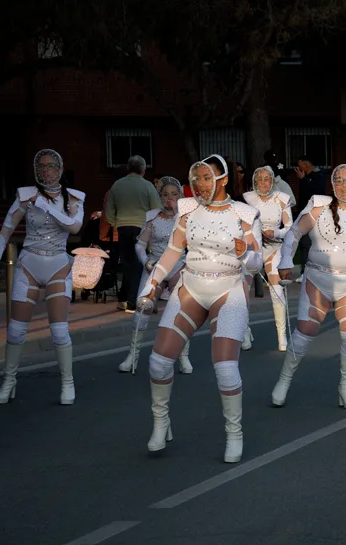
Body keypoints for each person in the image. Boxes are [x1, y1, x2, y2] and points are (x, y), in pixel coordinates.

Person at [138, 155, 263, 463]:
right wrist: (151, 284)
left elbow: (257, 262)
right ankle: (160, 423)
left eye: (206, 178)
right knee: (157, 363)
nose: (199, 185)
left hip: (228, 288)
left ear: (222, 180)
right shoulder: (188, 210)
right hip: (191, 286)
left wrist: (246, 252)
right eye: (195, 179)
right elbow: (172, 252)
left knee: (225, 367)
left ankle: (234, 434)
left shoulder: (244, 213)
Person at [271, 164, 346, 409]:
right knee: (304, 332)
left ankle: (345, 387)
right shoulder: (319, 206)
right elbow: (294, 233)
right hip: (318, 279)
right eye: (339, 181)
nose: (344, 185)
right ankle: (284, 381)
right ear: (333, 184)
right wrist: (285, 262)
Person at [0, 149, 86, 405]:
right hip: (29, 262)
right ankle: (9, 380)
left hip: (58, 264)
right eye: (41, 166)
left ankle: (67, 383)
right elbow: (6, 230)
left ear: (60, 170)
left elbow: (75, 227)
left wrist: (46, 206)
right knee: (16, 331)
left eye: (51, 166)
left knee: (59, 332)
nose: (45, 170)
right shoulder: (25, 196)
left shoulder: (73, 198)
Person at [118, 177, 192, 375]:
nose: (170, 199)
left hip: (178, 265)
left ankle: (183, 357)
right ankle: (132, 356)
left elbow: (193, 244)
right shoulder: (153, 217)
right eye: (166, 194)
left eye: (174, 194)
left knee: (182, 310)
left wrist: (187, 263)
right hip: (156, 264)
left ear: (180, 196)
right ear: (160, 197)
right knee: (143, 307)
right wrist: (146, 262)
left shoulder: (186, 217)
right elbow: (140, 244)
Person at [243, 167, 294, 351]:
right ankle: (244, 332)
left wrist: (277, 232)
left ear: (272, 181)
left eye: (267, 179)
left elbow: (290, 226)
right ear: (255, 181)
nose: (263, 182)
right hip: (252, 249)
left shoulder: (282, 198)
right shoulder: (248, 199)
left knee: (277, 291)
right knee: (242, 291)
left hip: (274, 247)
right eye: (260, 179)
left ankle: (281, 336)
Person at [106, 155, 162, 312]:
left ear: (128, 168)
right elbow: (156, 210)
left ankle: (123, 298)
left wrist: (116, 223)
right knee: (139, 265)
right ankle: (133, 302)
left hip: (123, 228)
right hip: (142, 228)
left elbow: (109, 210)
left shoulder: (117, 185)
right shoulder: (148, 186)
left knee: (128, 264)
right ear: (143, 170)